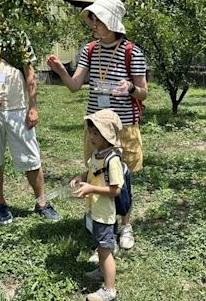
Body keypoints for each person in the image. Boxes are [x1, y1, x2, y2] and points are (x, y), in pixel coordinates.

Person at [47, 0, 147, 250]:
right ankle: (101, 221)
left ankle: (125, 224)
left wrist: (131, 89)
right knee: (96, 173)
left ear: (111, 22)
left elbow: (143, 92)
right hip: (95, 128)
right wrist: (60, 71)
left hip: (122, 127)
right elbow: (74, 86)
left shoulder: (132, 53)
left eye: (97, 21)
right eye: (92, 21)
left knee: (121, 181)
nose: (93, 26)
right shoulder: (89, 50)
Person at [0, 36, 60, 224]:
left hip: (18, 109)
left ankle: (42, 203)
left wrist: (33, 107)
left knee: (31, 157)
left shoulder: (18, 38)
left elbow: (30, 74)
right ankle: (1, 205)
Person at [70, 109, 124, 301]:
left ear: (108, 135)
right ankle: (102, 272)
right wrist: (80, 178)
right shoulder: (97, 154)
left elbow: (115, 190)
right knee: (100, 245)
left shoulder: (113, 160)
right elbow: (91, 173)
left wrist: (91, 189)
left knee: (105, 250)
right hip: (95, 211)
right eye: (91, 131)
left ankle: (109, 290)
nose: (91, 136)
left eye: (96, 133)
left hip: (105, 212)